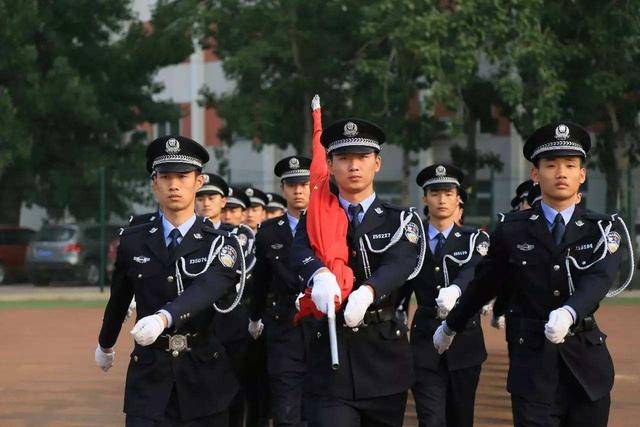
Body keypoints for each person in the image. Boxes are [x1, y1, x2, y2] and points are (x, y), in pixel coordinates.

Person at [433, 122, 629, 427]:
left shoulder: (603, 230)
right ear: (535, 175)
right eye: (551, 165)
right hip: (533, 366)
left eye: (570, 165)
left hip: (586, 369)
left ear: (582, 174)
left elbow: (599, 280)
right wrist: (451, 326)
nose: (561, 172)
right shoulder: (512, 229)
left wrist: (569, 311)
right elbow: (484, 285)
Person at [94, 135, 244, 426]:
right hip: (150, 376)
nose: (174, 185)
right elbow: (119, 299)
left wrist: (164, 318)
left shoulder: (220, 243)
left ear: (198, 182)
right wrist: (105, 344)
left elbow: (207, 288)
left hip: (203, 374)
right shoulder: (133, 240)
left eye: (183, 176)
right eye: (165, 177)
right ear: (154, 183)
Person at [291, 118, 424, 427]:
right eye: (344, 158)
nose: (353, 166)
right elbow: (298, 253)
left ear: (376, 163)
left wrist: (368, 291)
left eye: (362, 157)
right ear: (330, 165)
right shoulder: (314, 218)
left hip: (382, 358)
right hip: (330, 357)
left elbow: (402, 262)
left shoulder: (399, 219)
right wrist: (318, 274)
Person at [405, 164, 489, 427]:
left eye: (448, 193)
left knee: (460, 418)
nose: (442, 199)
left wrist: (457, 290)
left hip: (465, 341)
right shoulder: (411, 241)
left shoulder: (474, 239)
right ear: (425, 198)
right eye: (435, 193)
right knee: (430, 419)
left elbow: (475, 270)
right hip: (425, 340)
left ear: (459, 198)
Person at [250, 156, 313, 426]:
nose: (298, 190)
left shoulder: (330, 225)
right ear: (283, 188)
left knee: (323, 406)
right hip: (284, 325)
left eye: (304, 184)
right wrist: (254, 317)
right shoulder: (267, 231)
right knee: (286, 408)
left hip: (321, 324)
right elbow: (260, 281)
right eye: (291, 184)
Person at [201, 183, 256, 427]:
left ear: (222, 201)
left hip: (230, 318)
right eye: (200, 197)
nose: (205, 203)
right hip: (196, 322)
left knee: (233, 387)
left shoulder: (235, 237)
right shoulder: (185, 234)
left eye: (211, 197)